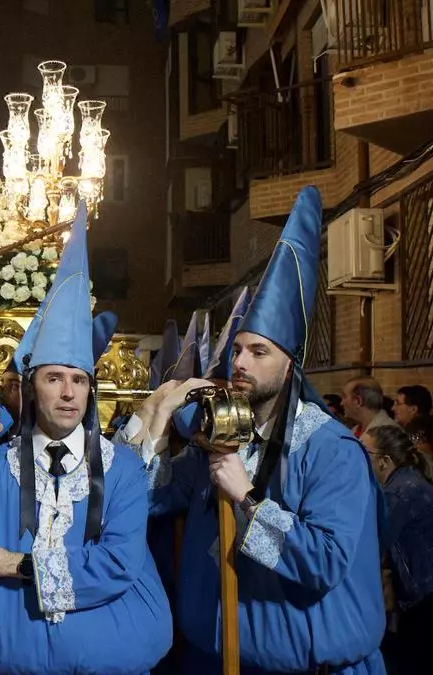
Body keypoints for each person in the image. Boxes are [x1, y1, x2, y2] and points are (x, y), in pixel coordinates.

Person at [124, 187, 386, 673]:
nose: (239, 363)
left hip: (308, 666)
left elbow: (324, 561)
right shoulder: (220, 437)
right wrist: (156, 418)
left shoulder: (330, 449)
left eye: (258, 352)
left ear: (290, 365)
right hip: (216, 658)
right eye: (238, 350)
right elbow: (146, 502)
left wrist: (246, 498)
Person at [0, 210, 172, 674]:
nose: (68, 393)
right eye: (53, 378)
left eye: (79, 380)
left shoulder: (122, 470)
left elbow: (116, 565)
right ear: (30, 388)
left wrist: (15, 564)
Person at [363, 425, 433, 674]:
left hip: (423, 596)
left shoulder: (400, 491)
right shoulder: (405, 480)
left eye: (365, 453)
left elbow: (372, 544)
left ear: (384, 461)